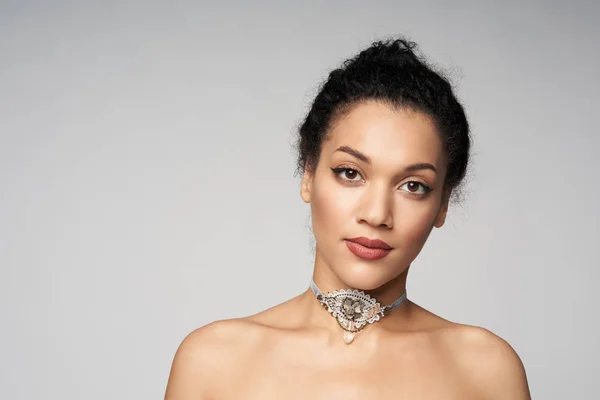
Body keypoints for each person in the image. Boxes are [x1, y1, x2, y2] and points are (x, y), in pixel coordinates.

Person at [164, 38, 531, 399]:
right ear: (308, 174)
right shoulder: (211, 361)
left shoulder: (486, 369)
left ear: (442, 204)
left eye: (413, 186)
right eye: (350, 173)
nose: (376, 215)